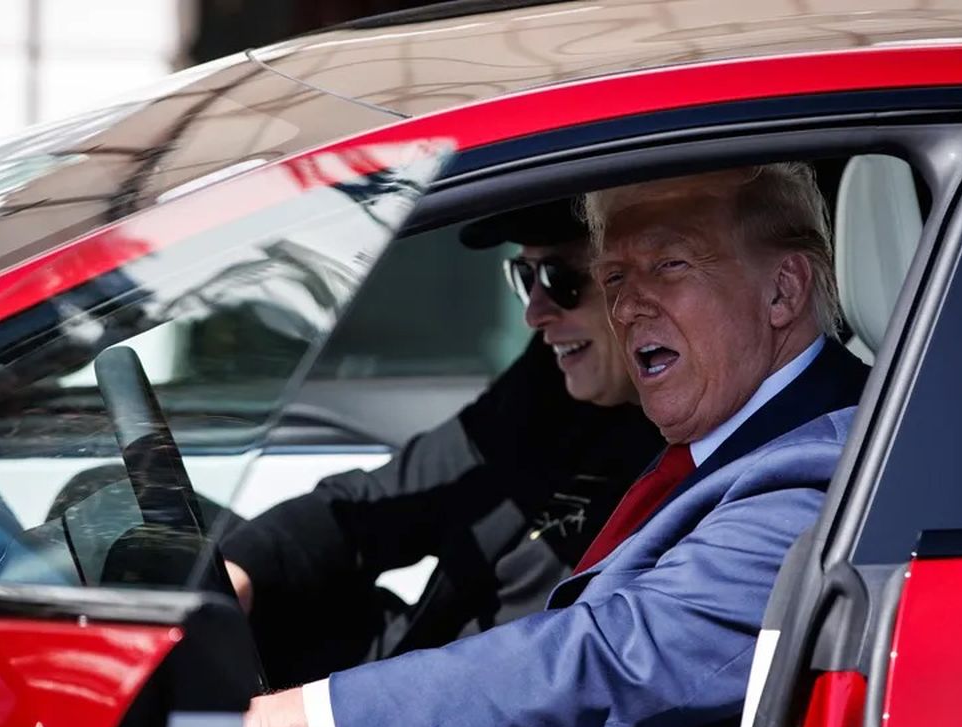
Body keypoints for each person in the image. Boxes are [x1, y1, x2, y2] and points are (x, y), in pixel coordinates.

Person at [236, 163, 870, 727]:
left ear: (783, 292)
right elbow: (382, 506)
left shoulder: (819, 461)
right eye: (613, 278)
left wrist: (298, 723)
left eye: (669, 265)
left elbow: (613, 655)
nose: (624, 307)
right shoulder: (722, 422)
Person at [220, 200, 665, 687]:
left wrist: (314, 725)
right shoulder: (552, 387)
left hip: (465, 725)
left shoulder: (703, 456)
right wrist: (240, 571)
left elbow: (562, 680)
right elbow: (386, 502)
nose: (535, 312)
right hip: (404, 683)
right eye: (524, 277)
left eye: (561, 279)